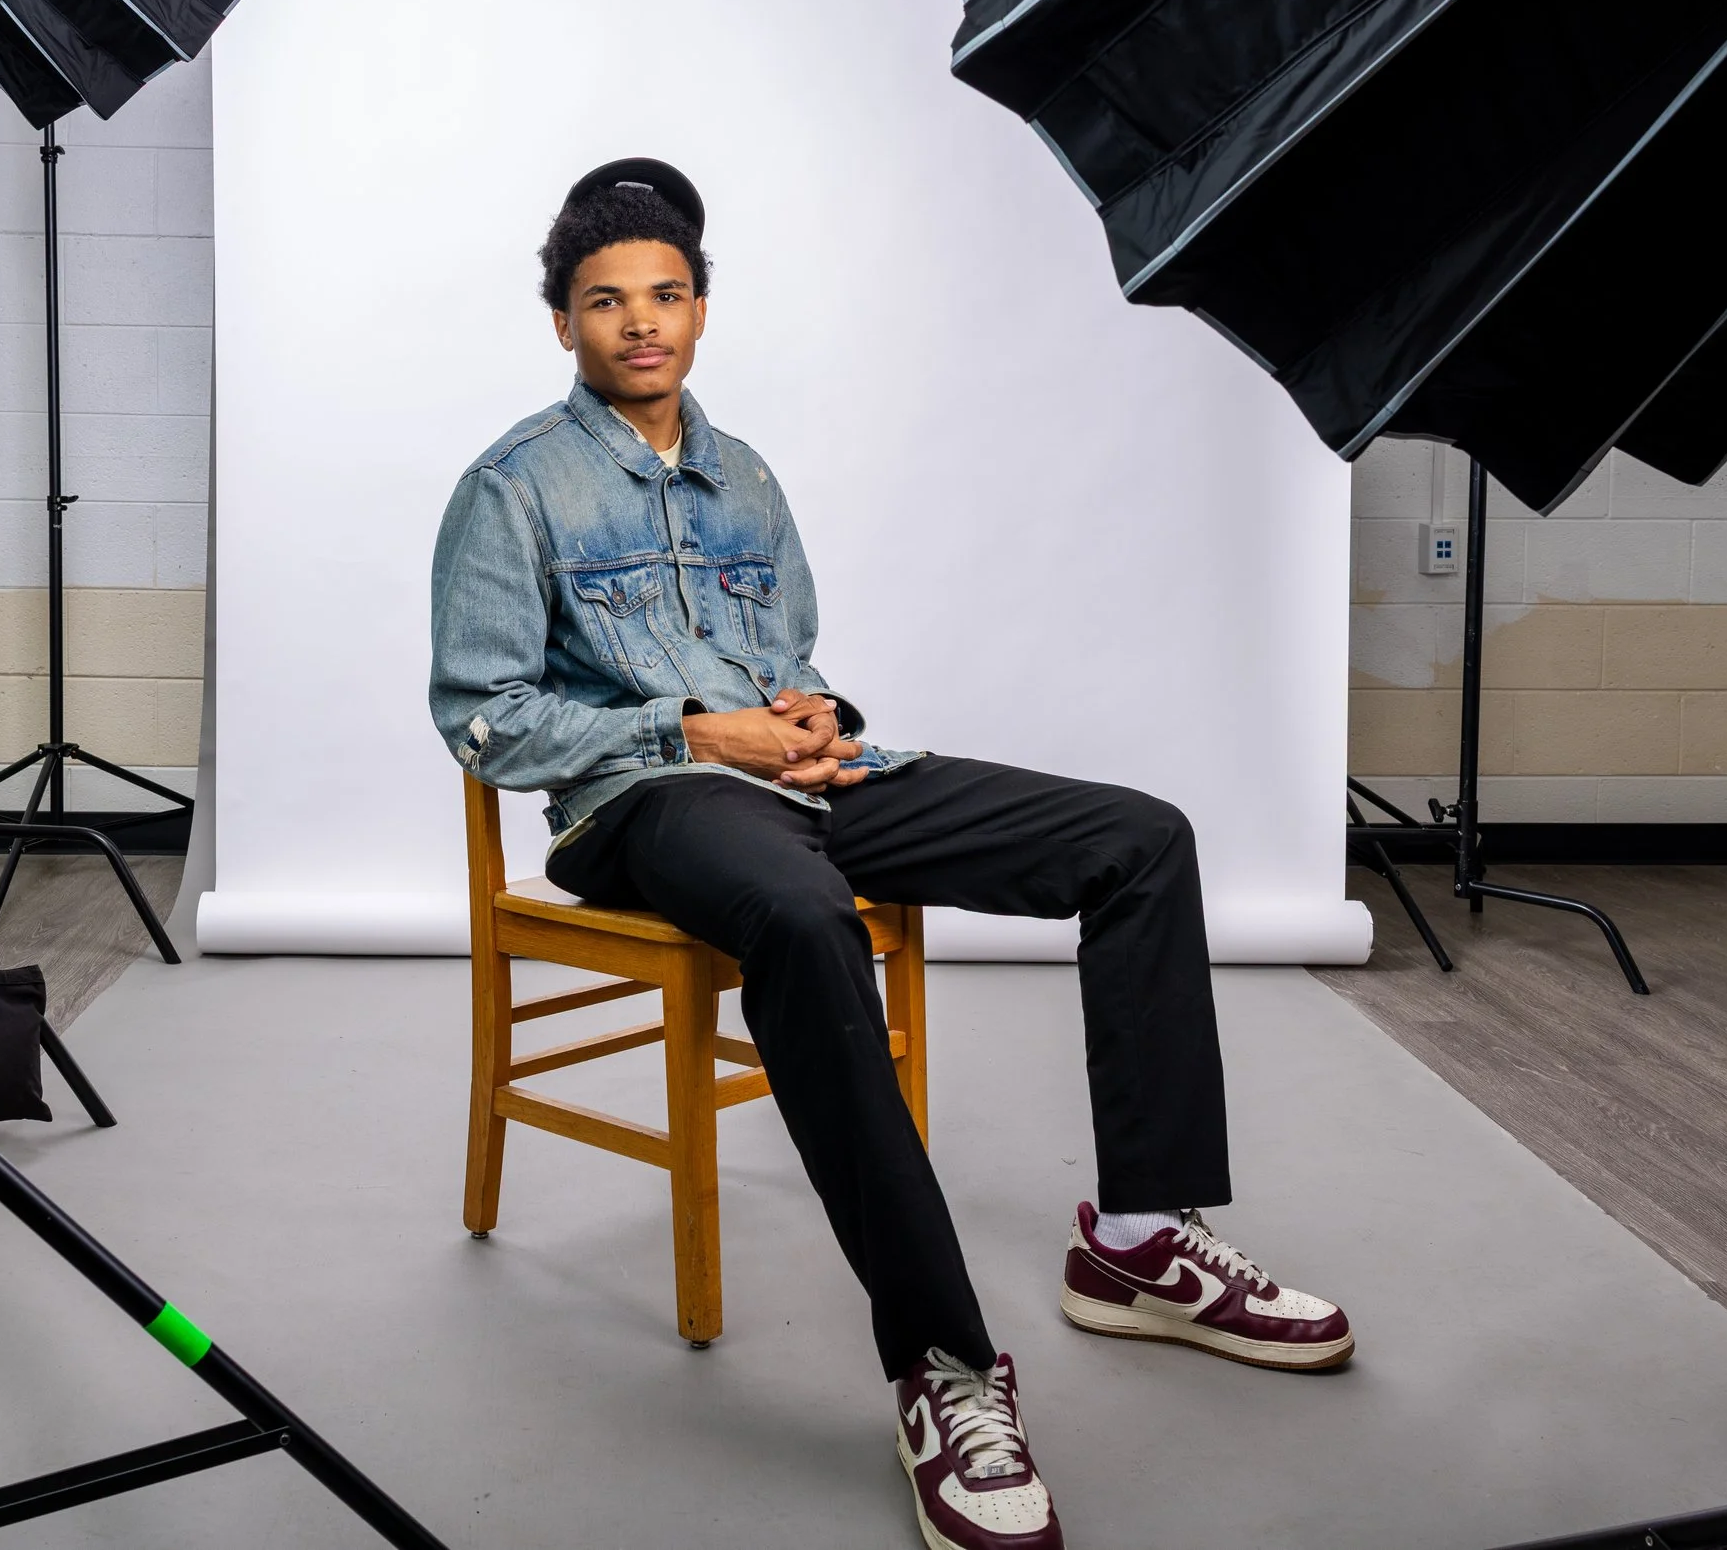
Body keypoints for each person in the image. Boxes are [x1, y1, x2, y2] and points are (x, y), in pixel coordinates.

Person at [429, 158, 1353, 1550]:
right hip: (645, 804)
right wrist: (699, 730)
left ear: (701, 309)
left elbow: (788, 652)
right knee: (806, 919)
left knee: (1139, 840)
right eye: (607, 300)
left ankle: (1139, 1241)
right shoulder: (512, 487)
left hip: (807, 782)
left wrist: (812, 716)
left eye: (667, 294)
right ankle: (943, 1363)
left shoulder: (746, 477)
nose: (642, 321)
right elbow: (485, 716)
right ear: (563, 320)